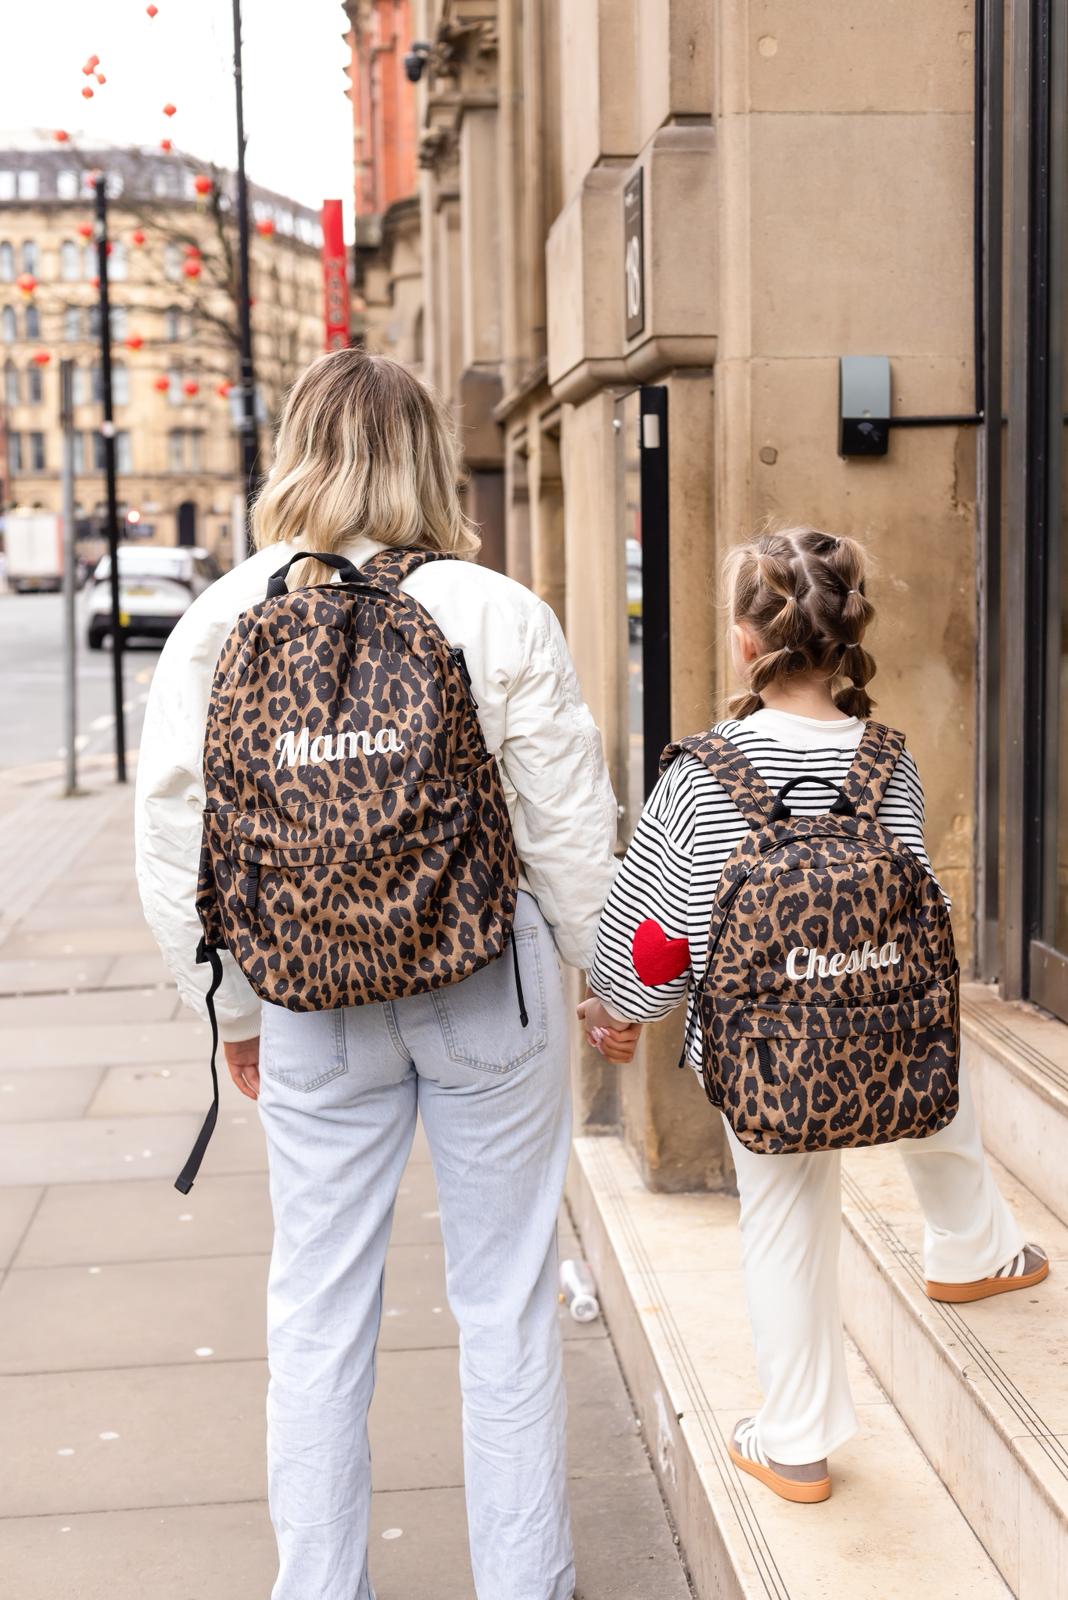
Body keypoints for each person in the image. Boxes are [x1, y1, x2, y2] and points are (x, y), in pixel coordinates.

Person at [135, 348, 640, 1600]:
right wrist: (611, 979)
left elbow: (172, 834)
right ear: (423, 457)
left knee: (314, 1306)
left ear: (295, 451)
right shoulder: (496, 607)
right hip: (486, 986)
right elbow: (568, 825)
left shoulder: (220, 615)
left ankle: (319, 1587)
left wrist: (230, 1012)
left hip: (308, 1000)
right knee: (507, 1300)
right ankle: (527, 1583)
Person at [578, 526, 1048, 1504]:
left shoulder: (705, 772)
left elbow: (655, 931)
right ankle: (971, 1244)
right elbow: (925, 906)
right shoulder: (889, 762)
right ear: (849, 632)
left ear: (747, 645)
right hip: (885, 1030)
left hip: (767, 1060)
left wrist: (618, 1008)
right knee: (933, 1074)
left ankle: (793, 1440)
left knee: (787, 1217)